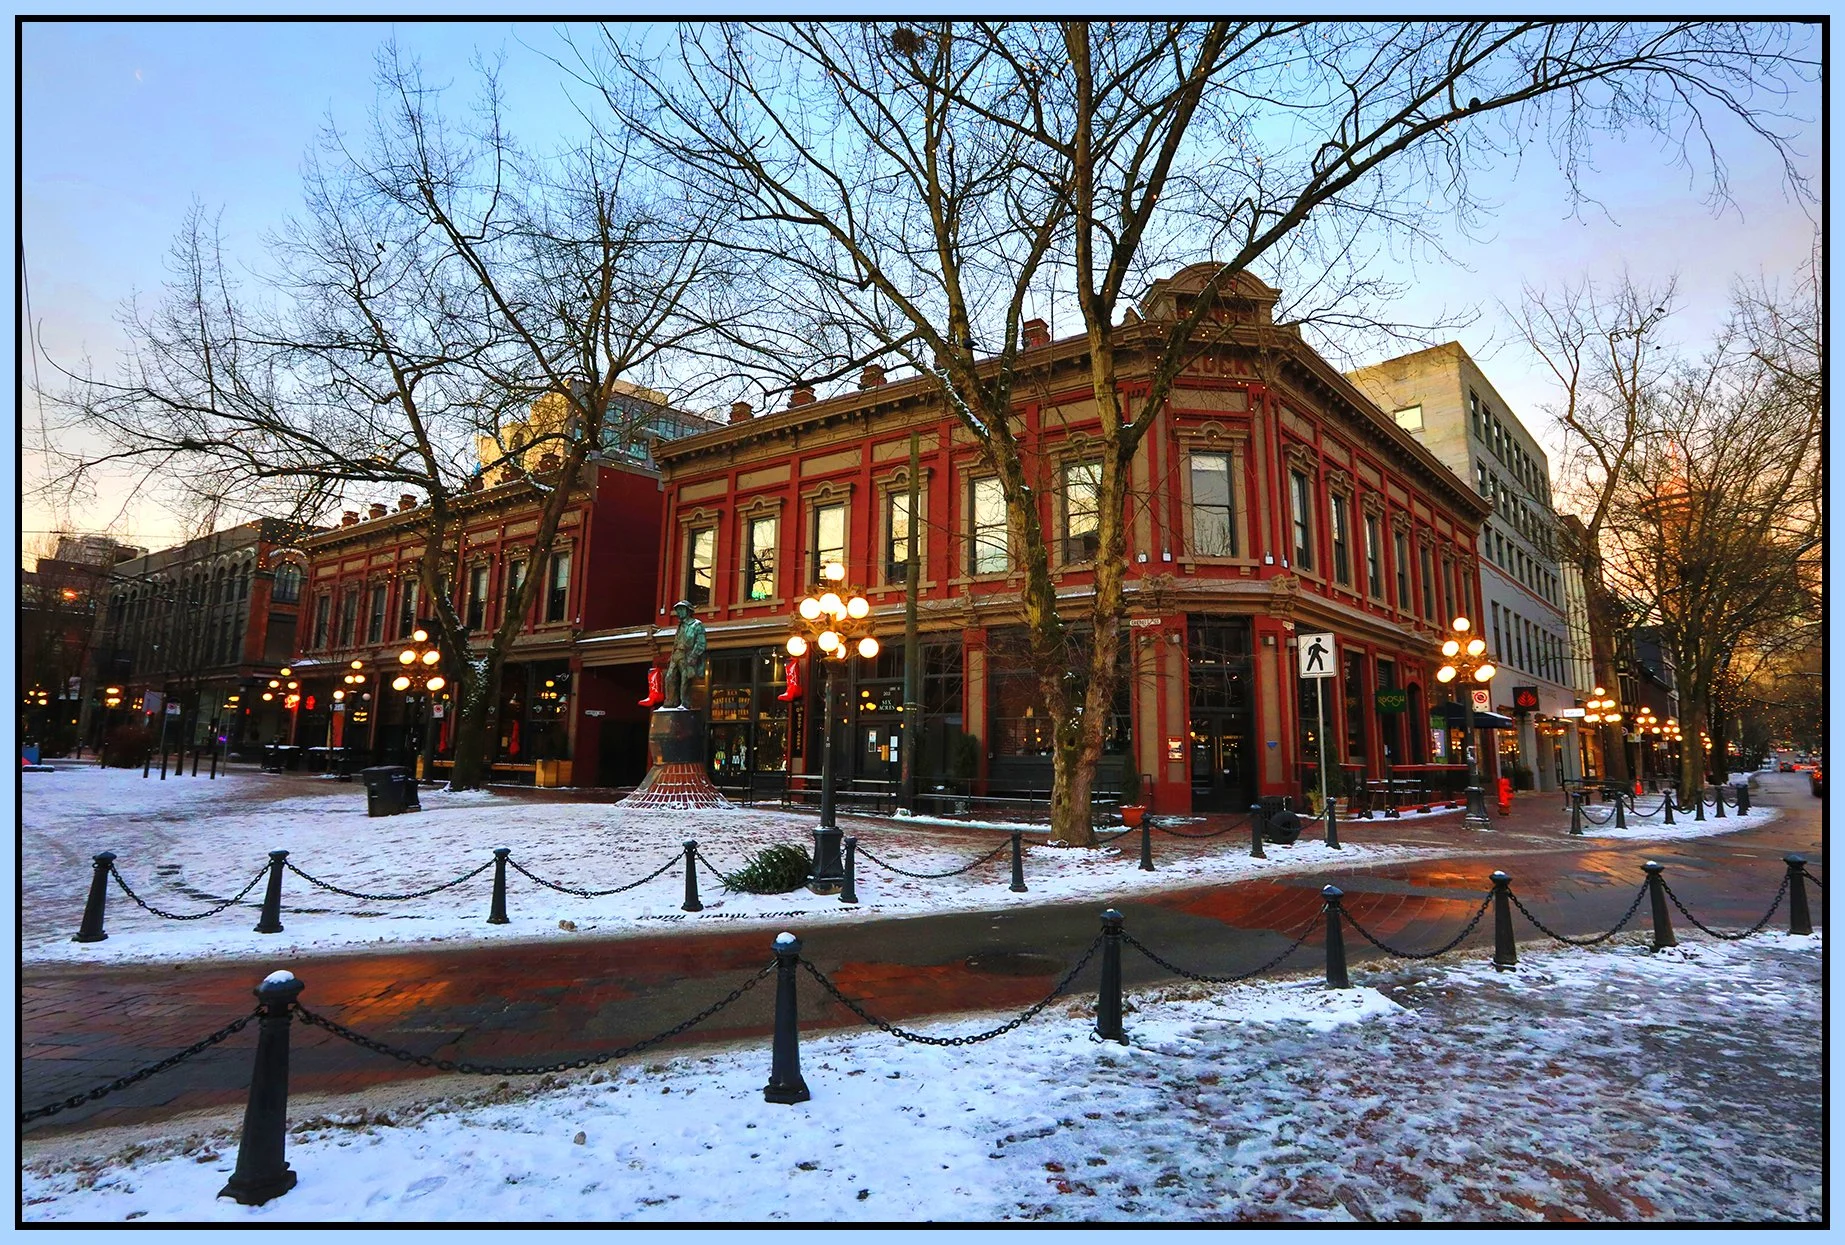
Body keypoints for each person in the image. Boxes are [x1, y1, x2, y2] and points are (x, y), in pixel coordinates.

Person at [660, 600, 708, 709]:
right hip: (676, 654)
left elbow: (701, 643)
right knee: (669, 677)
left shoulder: (696, 625)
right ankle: (671, 701)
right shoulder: (680, 625)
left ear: (688, 611)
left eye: (682, 609)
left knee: (685, 679)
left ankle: (684, 703)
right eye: (678, 610)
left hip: (687, 655)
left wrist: (693, 656)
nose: (679, 612)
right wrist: (672, 656)